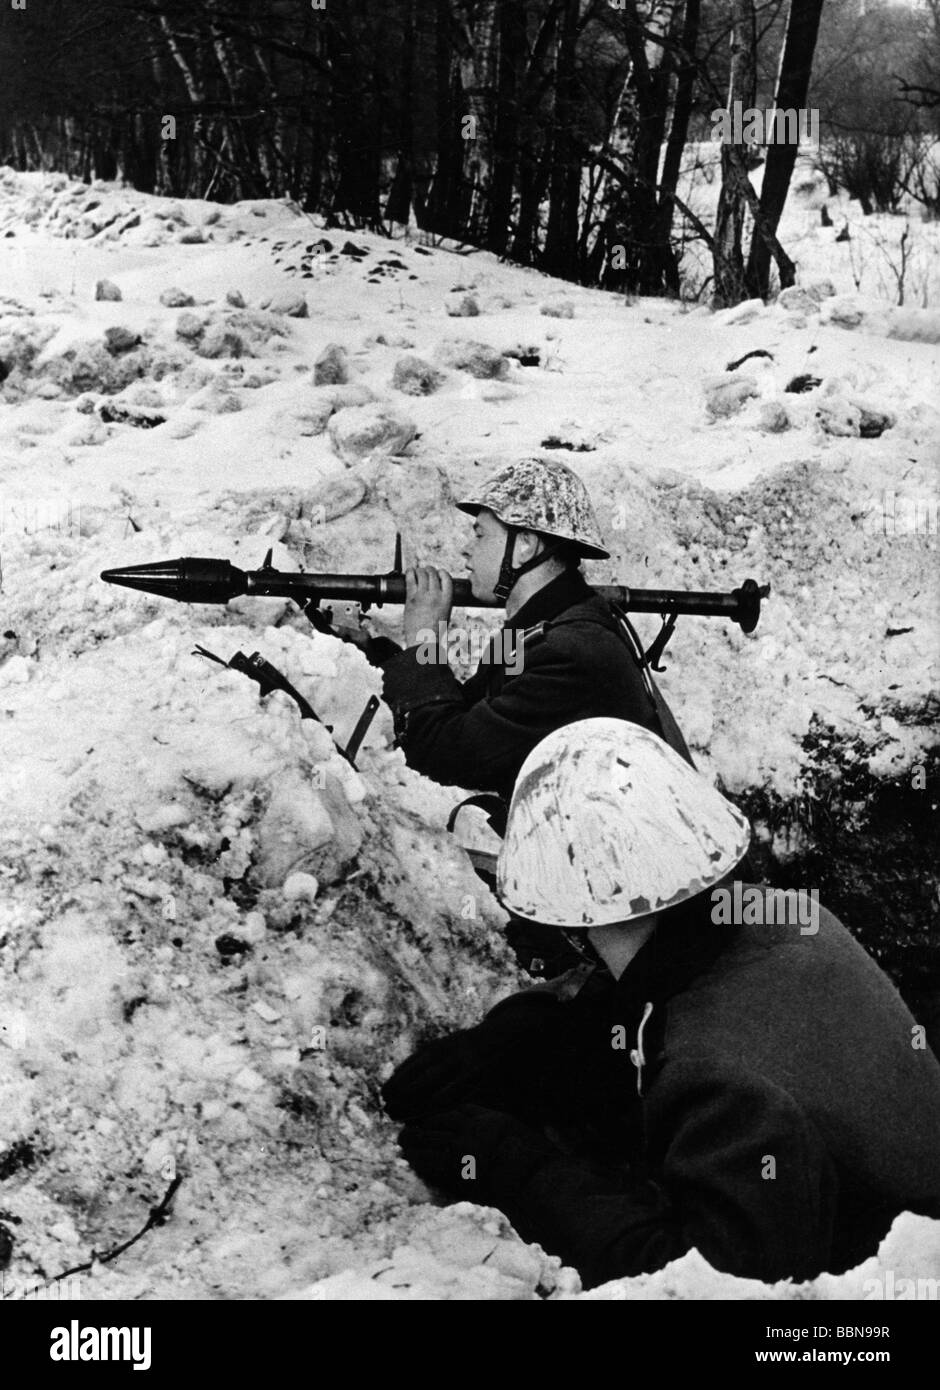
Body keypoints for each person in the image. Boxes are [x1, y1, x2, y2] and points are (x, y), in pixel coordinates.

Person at [382, 719, 940, 1289]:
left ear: (577, 917)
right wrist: (521, 1038)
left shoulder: (723, 1081)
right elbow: (654, 988)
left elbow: (696, 1281)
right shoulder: (784, 916)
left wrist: (519, 1171)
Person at [343, 456, 693, 975]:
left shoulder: (570, 649)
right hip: (595, 879)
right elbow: (470, 711)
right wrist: (377, 648)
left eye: (481, 534)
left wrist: (425, 639)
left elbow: (444, 750)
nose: (467, 548)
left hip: (626, 914)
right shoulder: (540, 629)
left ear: (525, 545)